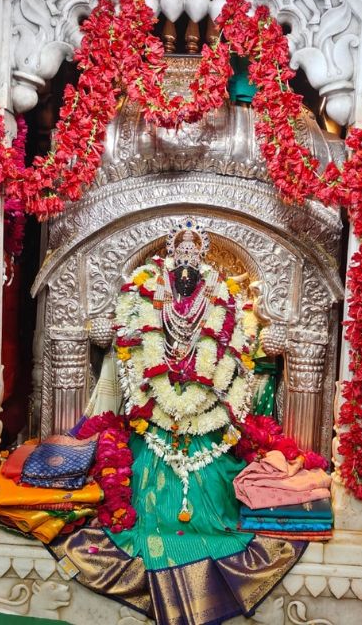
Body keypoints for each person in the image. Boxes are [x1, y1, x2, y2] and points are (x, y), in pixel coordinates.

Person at [48, 218, 306, 625]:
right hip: (156, 404)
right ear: (171, 251)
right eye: (180, 247)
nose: (186, 253)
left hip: (209, 405)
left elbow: (237, 342)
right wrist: (122, 335)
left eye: (193, 247)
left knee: (218, 482)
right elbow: (133, 336)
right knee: (144, 473)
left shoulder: (220, 291)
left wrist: (246, 347)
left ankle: (204, 531)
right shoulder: (151, 285)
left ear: (202, 253)